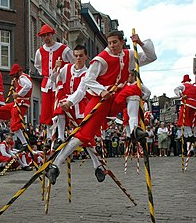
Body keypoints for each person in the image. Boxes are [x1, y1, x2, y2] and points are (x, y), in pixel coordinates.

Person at [47, 30, 157, 184]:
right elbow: (84, 85)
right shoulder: (100, 60)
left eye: (115, 42)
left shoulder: (129, 55)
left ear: (121, 42)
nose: (112, 46)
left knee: (133, 90)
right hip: (98, 99)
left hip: (114, 96)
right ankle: (56, 165)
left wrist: (141, 43)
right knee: (83, 136)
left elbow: (151, 57)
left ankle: (133, 129)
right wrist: (72, 101)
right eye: (109, 42)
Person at [34, 24, 75, 139]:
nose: (46, 37)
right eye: (44, 36)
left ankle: (61, 136)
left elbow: (72, 63)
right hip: (47, 84)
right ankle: (49, 136)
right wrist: (46, 73)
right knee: (46, 110)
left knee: (59, 107)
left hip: (60, 83)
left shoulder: (63, 49)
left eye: (48, 35)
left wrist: (62, 73)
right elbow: (37, 65)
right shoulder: (40, 51)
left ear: (52, 35)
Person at [50, 45, 89, 145]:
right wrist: (56, 68)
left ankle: (96, 159)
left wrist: (69, 102)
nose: (78, 58)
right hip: (66, 100)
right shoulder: (67, 68)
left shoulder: (87, 73)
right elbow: (54, 79)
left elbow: (81, 91)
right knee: (59, 108)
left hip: (80, 104)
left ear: (86, 57)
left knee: (83, 135)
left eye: (81, 56)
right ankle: (61, 137)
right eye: (76, 56)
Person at [0, 63, 32, 148]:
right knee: (0, 110)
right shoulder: (20, 78)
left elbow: (28, 86)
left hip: (21, 104)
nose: (13, 76)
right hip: (16, 103)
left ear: (19, 72)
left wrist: (18, 94)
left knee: (14, 125)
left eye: (14, 74)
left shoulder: (22, 78)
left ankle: (24, 143)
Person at [174, 74, 196, 155]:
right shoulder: (194, 87)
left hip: (186, 103)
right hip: (193, 106)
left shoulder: (184, 85)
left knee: (183, 120)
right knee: (189, 120)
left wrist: (182, 95)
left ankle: (188, 135)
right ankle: (188, 135)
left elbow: (176, 89)